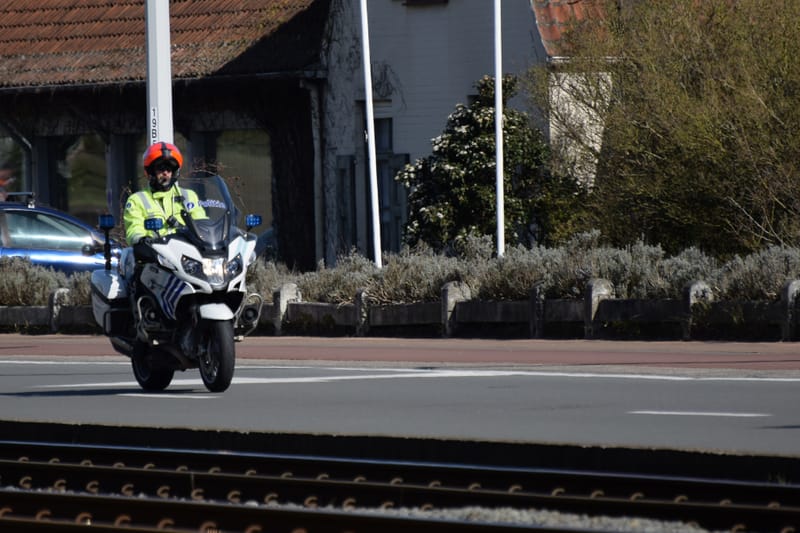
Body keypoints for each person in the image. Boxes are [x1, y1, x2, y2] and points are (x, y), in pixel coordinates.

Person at [123, 141, 205, 260]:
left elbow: (202, 224)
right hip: (154, 258)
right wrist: (142, 240)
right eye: (160, 168)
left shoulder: (189, 196)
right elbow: (134, 229)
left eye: (169, 169)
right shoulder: (137, 200)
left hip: (187, 257)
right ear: (150, 171)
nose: (165, 172)